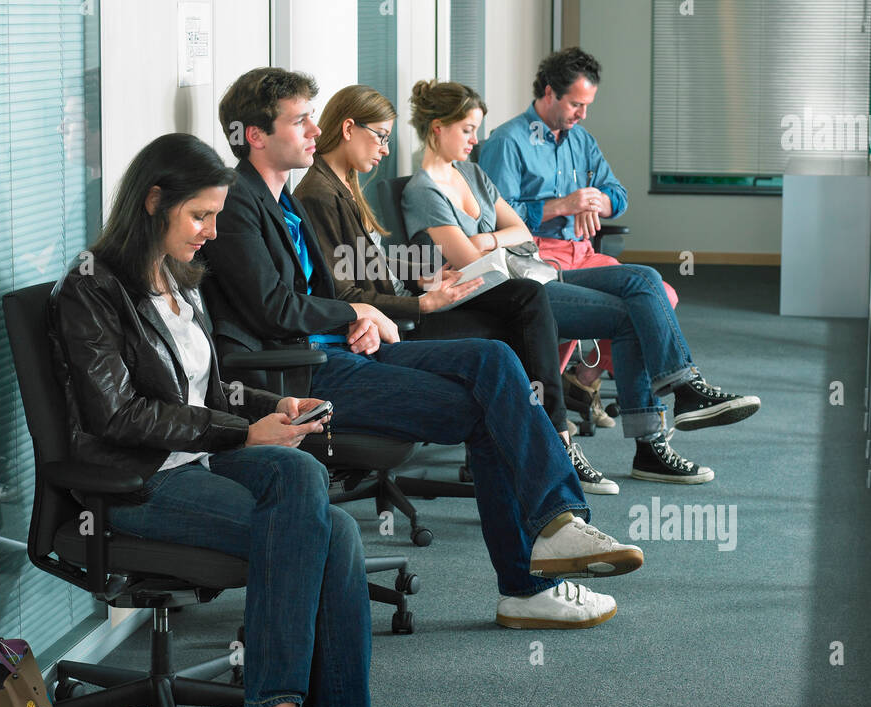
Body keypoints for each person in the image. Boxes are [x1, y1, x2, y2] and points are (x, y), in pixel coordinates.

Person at [48, 132, 447, 707]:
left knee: (308, 488)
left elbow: (203, 390)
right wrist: (242, 431)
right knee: (335, 532)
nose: (211, 231)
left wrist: (274, 404)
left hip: (198, 465)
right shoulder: (91, 290)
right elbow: (118, 418)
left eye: (216, 216)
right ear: (154, 202)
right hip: (135, 485)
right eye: (200, 215)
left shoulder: (178, 279)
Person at [204, 66, 644, 632]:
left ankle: (552, 534)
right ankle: (533, 574)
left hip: (346, 348)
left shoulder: (284, 199)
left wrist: (361, 315)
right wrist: (359, 312)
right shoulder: (241, 201)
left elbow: (330, 286)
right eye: (300, 120)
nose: (314, 130)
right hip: (304, 377)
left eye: (313, 117)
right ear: (257, 136)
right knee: (492, 407)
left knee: (495, 360)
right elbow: (272, 308)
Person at [403, 80, 761, 485]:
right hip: (511, 294)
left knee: (645, 279)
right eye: (467, 129)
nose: (475, 139)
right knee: (629, 316)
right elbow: (473, 266)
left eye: (476, 129)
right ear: (437, 127)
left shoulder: (471, 173)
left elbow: (520, 230)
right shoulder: (423, 192)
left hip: (533, 270)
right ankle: (651, 446)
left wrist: (485, 238)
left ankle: (685, 387)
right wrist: (492, 244)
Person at [295, 83, 618, 495]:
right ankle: (551, 440)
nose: (386, 151)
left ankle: (549, 438)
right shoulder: (321, 194)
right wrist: (423, 301)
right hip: (388, 325)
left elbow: (362, 262)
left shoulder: (341, 184)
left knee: (523, 302)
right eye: (380, 137)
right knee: (517, 315)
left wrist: (424, 272)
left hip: (404, 300)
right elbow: (344, 292)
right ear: (348, 129)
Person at [479, 47, 681, 429]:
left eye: (587, 105)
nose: (583, 114)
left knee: (660, 296)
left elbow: (618, 194)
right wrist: (561, 205)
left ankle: (583, 380)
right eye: (576, 104)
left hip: (582, 253)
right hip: (534, 256)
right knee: (623, 312)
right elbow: (494, 218)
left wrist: (597, 201)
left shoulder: (581, 140)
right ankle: (549, 407)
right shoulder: (508, 141)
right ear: (550, 92)